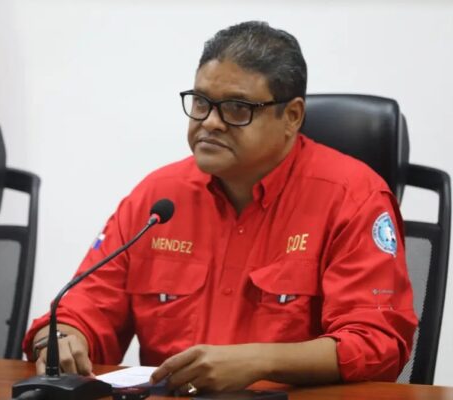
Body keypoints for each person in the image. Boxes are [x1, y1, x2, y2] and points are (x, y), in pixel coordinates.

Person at [23, 21, 417, 393]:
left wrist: (260, 362)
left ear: (291, 116)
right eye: (201, 103)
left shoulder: (352, 198)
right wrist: (62, 337)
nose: (210, 122)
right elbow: (83, 306)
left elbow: (375, 344)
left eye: (236, 108)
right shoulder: (158, 198)